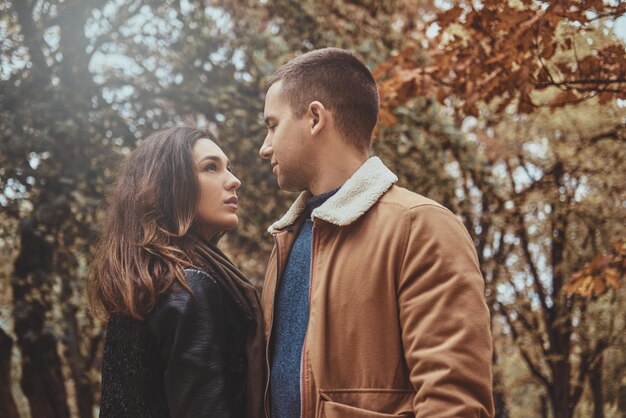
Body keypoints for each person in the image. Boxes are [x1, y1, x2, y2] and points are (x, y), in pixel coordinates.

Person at [259, 48, 494, 417]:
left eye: (273, 125)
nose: (265, 147)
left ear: (315, 118)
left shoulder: (421, 226)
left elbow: (453, 400)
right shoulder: (286, 239)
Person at [89, 126, 264, 418]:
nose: (234, 181)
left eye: (228, 168)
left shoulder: (152, 283)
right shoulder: (190, 286)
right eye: (211, 168)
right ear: (171, 186)